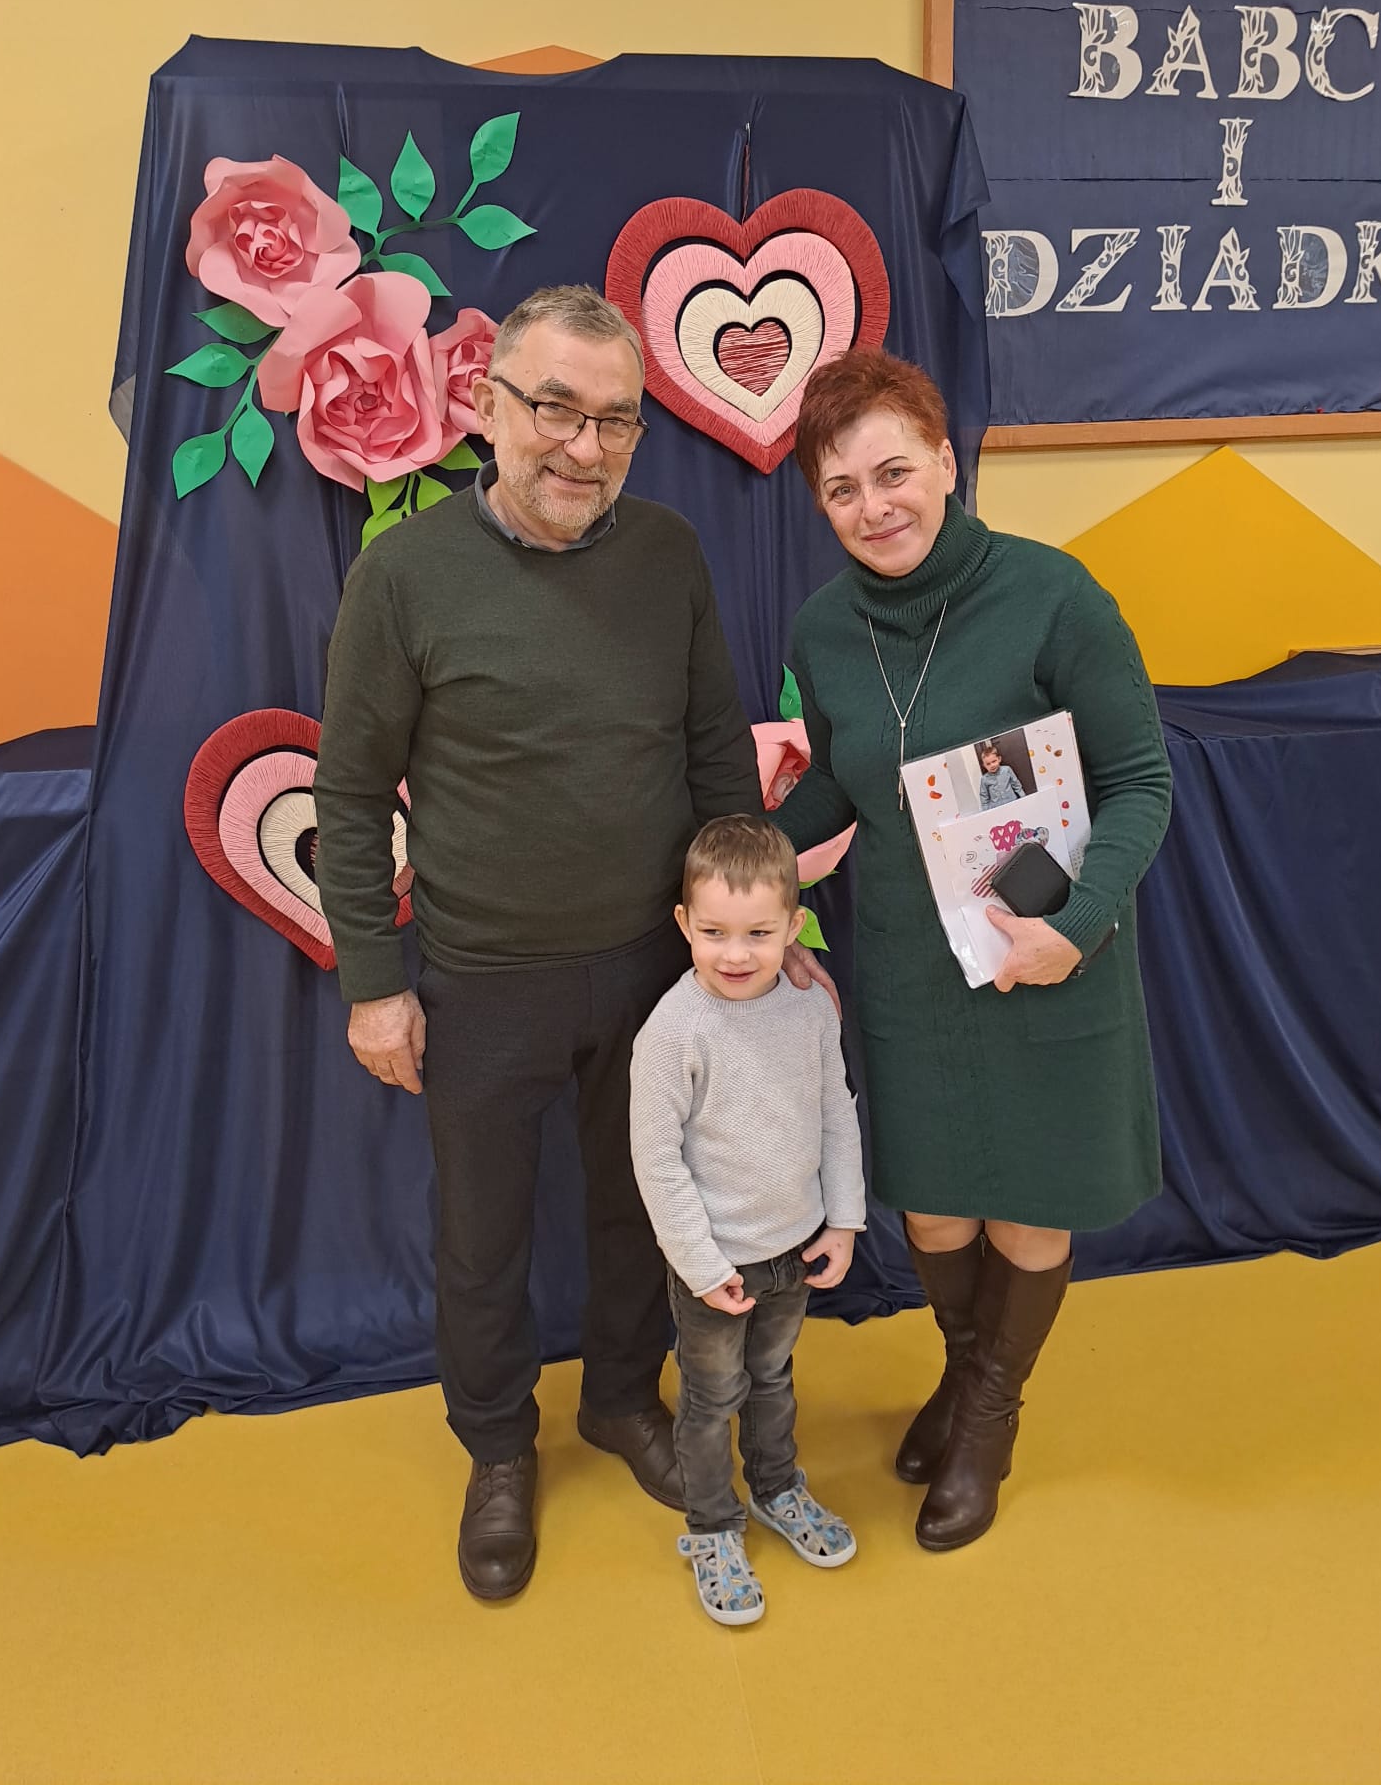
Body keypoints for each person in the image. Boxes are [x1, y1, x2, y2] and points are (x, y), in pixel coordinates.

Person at [314, 285, 821, 1603]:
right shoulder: (402, 576)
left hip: (657, 973)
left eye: (614, 419)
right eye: (552, 407)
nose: (582, 446)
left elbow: (716, 758)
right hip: (480, 978)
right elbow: (351, 795)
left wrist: (763, 936)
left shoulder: (668, 554)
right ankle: (497, 1447)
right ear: (487, 407)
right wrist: (374, 985)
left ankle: (619, 1400)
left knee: (641, 1208)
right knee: (483, 1236)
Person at [771, 348, 1172, 1552]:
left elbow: (1140, 780)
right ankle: (961, 1369)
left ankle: (989, 1415)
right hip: (908, 965)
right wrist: (744, 859)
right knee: (937, 1210)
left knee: (1031, 1208)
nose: (874, 505)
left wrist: (1072, 927)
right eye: (842, 488)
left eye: (894, 471)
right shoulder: (824, 628)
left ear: (947, 462)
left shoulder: (1054, 595)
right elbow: (841, 789)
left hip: (1043, 954)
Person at [629, 816, 866, 1625]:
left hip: (793, 1250)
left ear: (793, 927)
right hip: (715, 1266)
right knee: (711, 1399)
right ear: (684, 924)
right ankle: (712, 1527)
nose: (736, 953)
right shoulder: (673, 1031)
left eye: (759, 933)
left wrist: (843, 1222)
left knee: (773, 1379)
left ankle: (776, 1487)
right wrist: (702, 1268)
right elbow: (657, 1164)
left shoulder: (809, 1010)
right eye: (715, 933)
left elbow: (836, 1115)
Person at [976, 740, 1026, 810]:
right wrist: (986, 811)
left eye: (994, 761)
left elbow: (1016, 784)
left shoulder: (1007, 770)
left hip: (1012, 802)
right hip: (997, 808)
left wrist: (1024, 798)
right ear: (984, 766)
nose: (992, 765)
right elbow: (984, 797)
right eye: (988, 764)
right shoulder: (984, 779)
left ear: (999, 759)